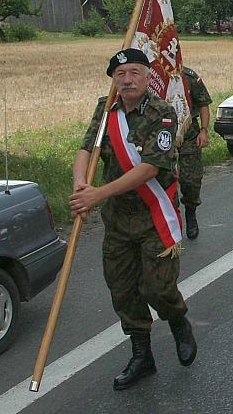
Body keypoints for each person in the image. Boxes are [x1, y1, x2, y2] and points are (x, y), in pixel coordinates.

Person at [70, 48, 197, 391]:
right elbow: (87, 148)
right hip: (118, 220)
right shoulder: (106, 108)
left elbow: (151, 167)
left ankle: (177, 319)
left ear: (146, 77)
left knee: (157, 288)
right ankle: (142, 355)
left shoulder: (161, 112)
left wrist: (99, 194)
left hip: (153, 216)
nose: (126, 80)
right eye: (120, 74)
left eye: (134, 73)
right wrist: (81, 184)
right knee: (123, 292)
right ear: (114, 78)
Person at [179, 66, 212, 239]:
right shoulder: (153, 77)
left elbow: (203, 104)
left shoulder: (189, 77)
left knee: (190, 181)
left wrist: (204, 131)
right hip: (159, 134)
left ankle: (190, 213)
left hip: (189, 134)